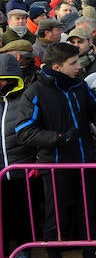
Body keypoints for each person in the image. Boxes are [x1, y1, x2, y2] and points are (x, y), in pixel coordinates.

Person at [16, 43, 96, 258]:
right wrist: (58, 138)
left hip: (85, 162)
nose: (79, 67)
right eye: (73, 63)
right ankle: (54, 254)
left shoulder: (79, 85)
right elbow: (24, 131)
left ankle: (91, 254)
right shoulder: (35, 92)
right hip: (55, 166)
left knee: (89, 213)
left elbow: (94, 107)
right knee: (57, 216)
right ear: (57, 67)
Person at [0, 53, 38, 255]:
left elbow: (36, 129)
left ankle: (24, 249)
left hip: (22, 169)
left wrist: (37, 161)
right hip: (1, 172)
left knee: (25, 215)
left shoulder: (26, 98)